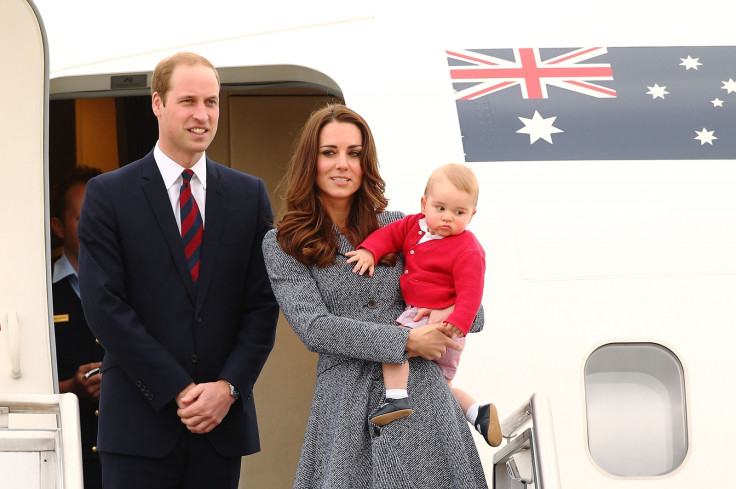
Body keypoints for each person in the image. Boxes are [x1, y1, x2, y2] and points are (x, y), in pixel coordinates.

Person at [77, 52, 279, 489]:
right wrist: (179, 390)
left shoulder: (249, 196)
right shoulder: (109, 195)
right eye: (188, 101)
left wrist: (227, 389)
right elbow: (103, 306)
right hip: (137, 429)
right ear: (157, 104)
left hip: (219, 428)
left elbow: (262, 307)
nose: (202, 115)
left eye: (212, 102)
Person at [262, 104, 488, 488]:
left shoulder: (404, 225)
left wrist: (441, 319)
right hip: (344, 405)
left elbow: (476, 312)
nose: (342, 164)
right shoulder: (284, 243)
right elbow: (315, 329)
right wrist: (407, 339)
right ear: (310, 161)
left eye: (354, 153)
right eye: (329, 152)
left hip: (423, 400)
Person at [345, 163, 502, 446]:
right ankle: (477, 412)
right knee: (442, 386)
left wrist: (455, 323)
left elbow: (472, 292)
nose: (447, 218)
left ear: (472, 215)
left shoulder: (467, 248)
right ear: (424, 203)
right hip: (439, 324)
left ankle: (396, 398)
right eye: (440, 208)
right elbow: (388, 236)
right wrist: (370, 250)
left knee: (394, 345)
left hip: (434, 322)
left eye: (459, 212)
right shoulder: (412, 225)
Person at [51, 164, 104, 489]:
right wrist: (72, 386)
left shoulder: (136, 287)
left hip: (127, 454)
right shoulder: (37, 292)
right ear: (59, 226)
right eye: (85, 219)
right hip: (62, 456)